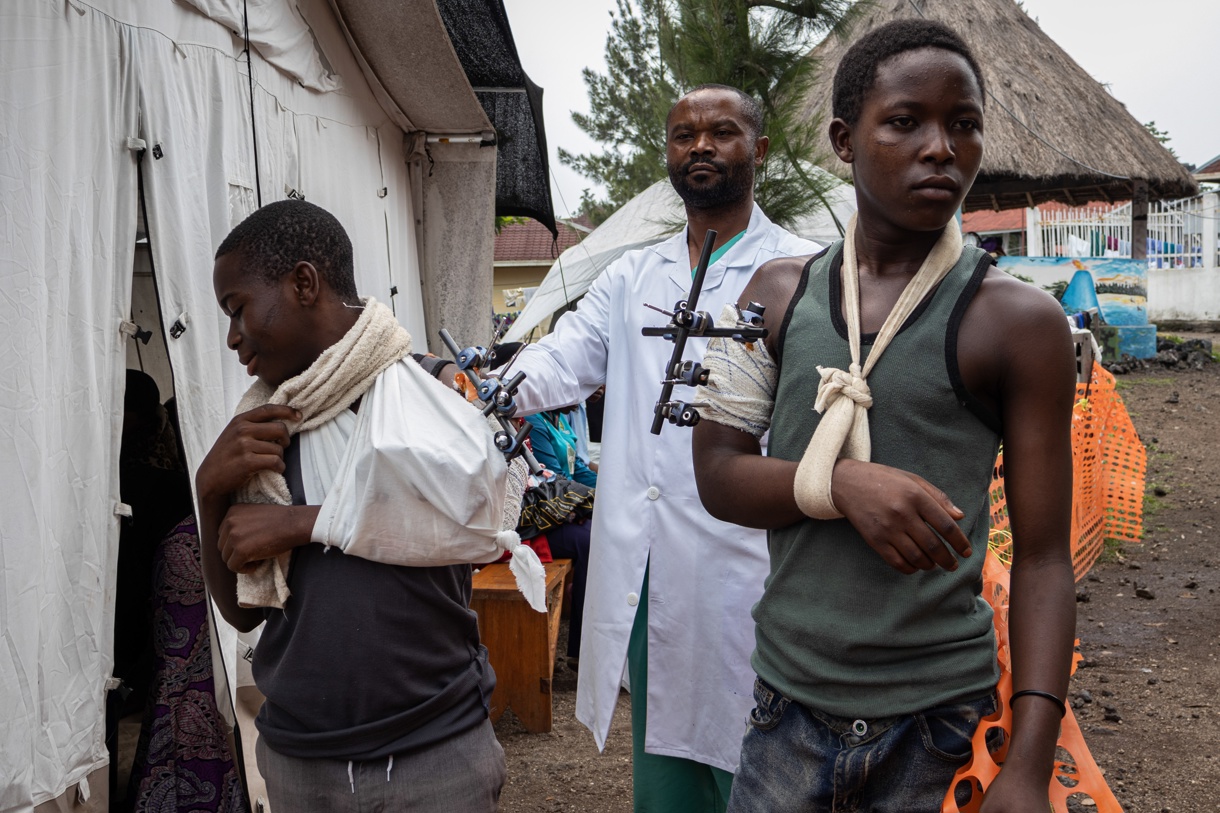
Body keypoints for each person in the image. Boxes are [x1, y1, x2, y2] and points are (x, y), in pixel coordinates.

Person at [691, 19, 1076, 813]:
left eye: (963, 124)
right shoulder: (772, 294)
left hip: (937, 726)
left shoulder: (1019, 323)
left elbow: (1043, 559)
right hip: (786, 713)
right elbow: (718, 475)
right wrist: (843, 486)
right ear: (844, 139)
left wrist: (1029, 765)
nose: (942, 147)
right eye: (906, 122)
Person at [506, 84, 821, 811]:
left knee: (759, 760)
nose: (700, 146)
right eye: (684, 135)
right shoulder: (630, 276)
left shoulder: (805, 272)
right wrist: (486, 386)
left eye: (721, 132)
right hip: (648, 564)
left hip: (751, 565)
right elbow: (562, 359)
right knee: (667, 763)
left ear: (760, 151)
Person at [195, 200, 512, 812]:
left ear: (304, 283)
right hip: (301, 761)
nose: (232, 337)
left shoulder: (426, 396)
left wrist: (303, 523)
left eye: (237, 309)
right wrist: (209, 490)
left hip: (435, 751)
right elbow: (241, 613)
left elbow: (474, 524)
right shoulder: (261, 431)